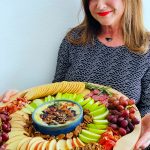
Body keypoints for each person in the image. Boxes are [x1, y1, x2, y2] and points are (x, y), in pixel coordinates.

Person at [0, 0, 150, 149]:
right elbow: (55, 91)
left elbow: (147, 108)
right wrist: (19, 104)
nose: (99, 5)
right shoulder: (74, 39)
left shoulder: (147, 48)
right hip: (61, 140)